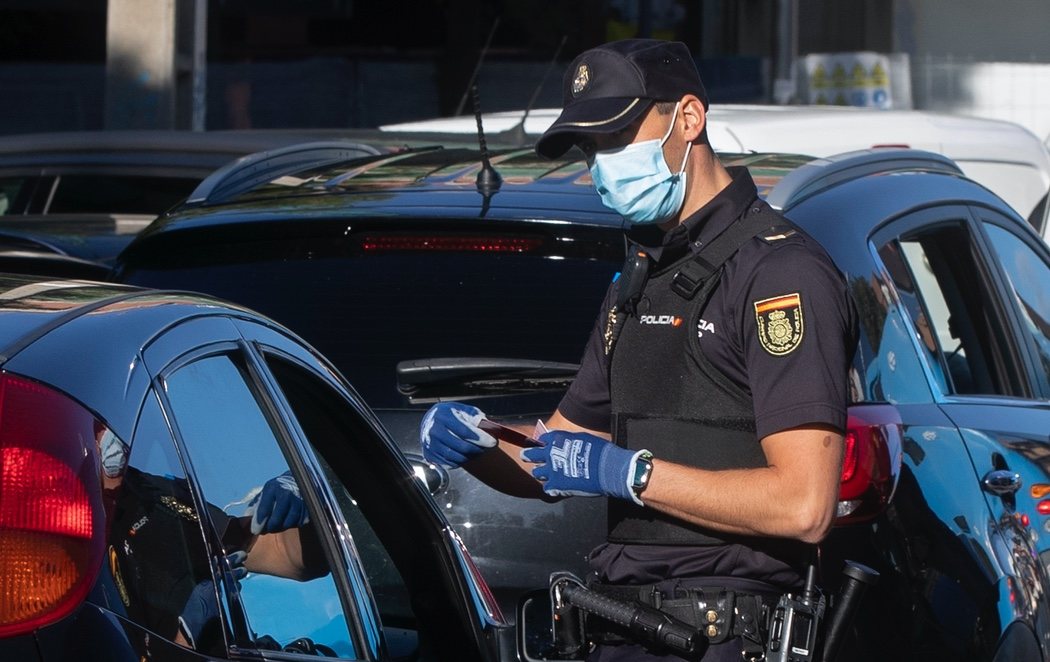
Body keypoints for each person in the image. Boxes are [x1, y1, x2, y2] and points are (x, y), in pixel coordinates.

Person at [420, 39, 858, 661]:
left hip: (726, 634)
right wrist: (479, 445)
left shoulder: (780, 273)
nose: (603, 163)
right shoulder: (641, 277)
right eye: (590, 147)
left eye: (617, 136)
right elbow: (554, 457)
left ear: (688, 117)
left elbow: (804, 505)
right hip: (620, 628)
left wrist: (631, 473)